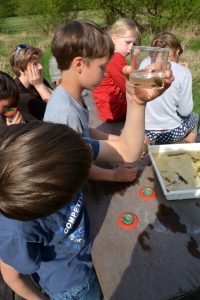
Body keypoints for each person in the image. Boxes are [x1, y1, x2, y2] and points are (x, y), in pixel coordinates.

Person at [0, 29, 173, 300]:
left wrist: (136, 99)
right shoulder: (15, 227)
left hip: (83, 254)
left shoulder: (59, 149)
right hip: (70, 286)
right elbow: (12, 275)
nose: (82, 169)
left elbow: (126, 151)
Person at [44, 20, 138, 183]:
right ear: (79, 64)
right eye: (102, 67)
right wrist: (114, 175)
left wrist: (119, 140)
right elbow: (75, 164)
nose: (104, 73)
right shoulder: (65, 113)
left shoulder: (72, 95)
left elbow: (85, 132)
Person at [142, 32, 197, 144]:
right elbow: (185, 111)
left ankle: (145, 145)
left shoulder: (144, 64)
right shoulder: (184, 72)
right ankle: (187, 144)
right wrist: (186, 71)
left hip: (145, 131)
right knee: (195, 117)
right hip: (171, 133)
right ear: (177, 51)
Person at [92, 17, 141, 122]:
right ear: (114, 39)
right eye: (128, 42)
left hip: (105, 108)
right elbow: (128, 86)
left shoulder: (106, 53)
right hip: (114, 111)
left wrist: (134, 58)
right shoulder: (116, 58)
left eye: (134, 44)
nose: (131, 47)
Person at [10, 44, 52, 122]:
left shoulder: (36, 80)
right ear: (21, 69)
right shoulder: (21, 98)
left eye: (38, 62)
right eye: (35, 64)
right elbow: (59, 110)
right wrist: (40, 86)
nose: (40, 67)